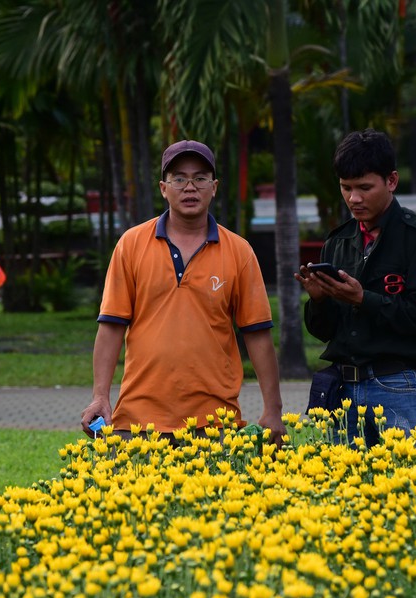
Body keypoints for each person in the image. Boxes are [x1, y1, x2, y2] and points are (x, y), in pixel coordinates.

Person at [80, 140, 285, 443]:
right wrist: (100, 396)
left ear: (214, 187)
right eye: (179, 178)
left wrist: (273, 409)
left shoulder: (239, 252)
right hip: (137, 424)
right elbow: (110, 326)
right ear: (164, 188)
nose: (190, 187)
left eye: (200, 178)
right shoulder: (131, 244)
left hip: (215, 425)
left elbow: (257, 334)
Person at [295, 128, 416, 444]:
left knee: (411, 487)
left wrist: (362, 298)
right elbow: (325, 332)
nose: (354, 198)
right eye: (346, 187)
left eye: (365, 187)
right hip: (344, 389)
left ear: (391, 181)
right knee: (347, 489)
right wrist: (319, 300)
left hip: (398, 384)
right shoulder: (338, 242)